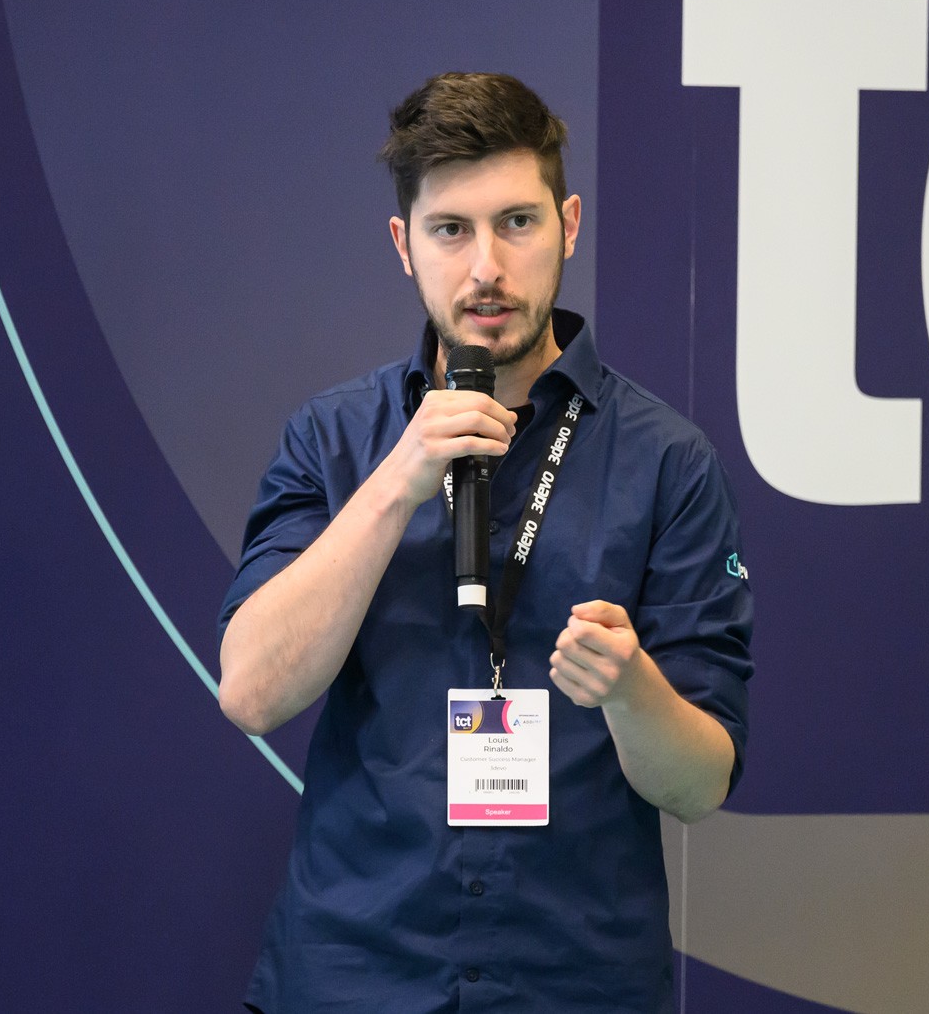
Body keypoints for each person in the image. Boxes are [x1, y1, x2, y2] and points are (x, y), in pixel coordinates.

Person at [217, 71, 752, 1013]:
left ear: (569, 225)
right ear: (403, 244)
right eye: (450, 230)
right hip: (356, 975)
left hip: (573, 982)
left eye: (517, 222)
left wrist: (631, 689)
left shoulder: (668, 460)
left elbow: (702, 782)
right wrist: (399, 481)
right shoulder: (335, 439)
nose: (486, 270)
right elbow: (253, 691)